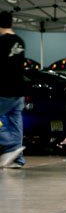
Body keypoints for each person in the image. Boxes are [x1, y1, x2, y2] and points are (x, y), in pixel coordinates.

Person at [0, 11, 26, 168]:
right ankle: (16, 159)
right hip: (18, 91)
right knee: (15, 123)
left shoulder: (1, 41)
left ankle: (10, 144)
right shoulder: (20, 41)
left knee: (9, 124)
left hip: (4, 90)